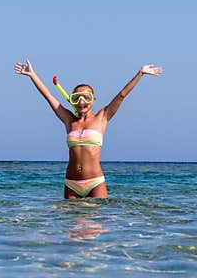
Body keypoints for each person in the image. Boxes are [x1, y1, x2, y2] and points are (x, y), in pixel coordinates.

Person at [14, 59, 162, 198]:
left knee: (96, 225)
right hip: (71, 182)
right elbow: (47, 95)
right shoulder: (69, 120)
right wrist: (32, 75)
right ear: (73, 100)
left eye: (86, 97)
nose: (81, 102)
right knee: (70, 225)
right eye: (77, 98)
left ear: (93, 100)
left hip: (95, 182)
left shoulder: (102, 117)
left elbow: (122, 95)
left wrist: (140, 73)